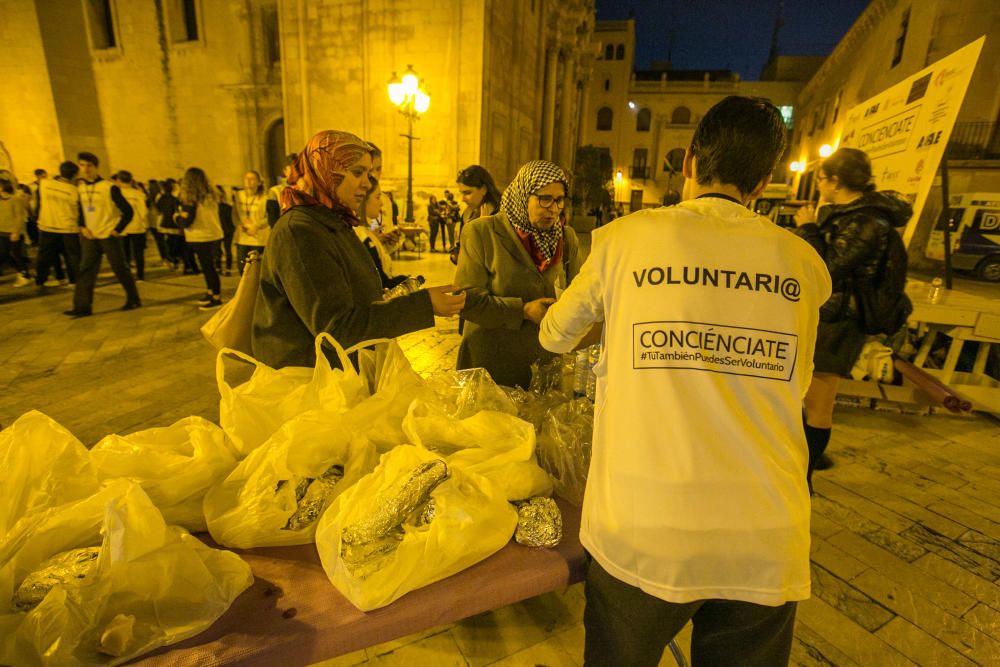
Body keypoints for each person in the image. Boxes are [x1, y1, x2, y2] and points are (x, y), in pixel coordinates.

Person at [538, 96, 832, 666]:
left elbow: (554, 334)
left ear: (690, 162)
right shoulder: (803, 264)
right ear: (765, 180)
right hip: (764, 530)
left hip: (645, 527)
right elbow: (795, 384)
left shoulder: (624, 240)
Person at [252, 130, 464, 369]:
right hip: (310, 381)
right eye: (358, 172)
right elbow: (336, 330)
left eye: (370, 172)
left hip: (340, 373)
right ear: (326, 170)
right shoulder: (300, 232)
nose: (367, 182)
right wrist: (424, 305)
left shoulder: (332, 221)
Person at [792, 147, 912, 483]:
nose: (818, 186)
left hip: (841, 322)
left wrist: (809, 228)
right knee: (809, 397)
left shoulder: (865, 221)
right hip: (832, 316)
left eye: (820, 179)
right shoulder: (853, 215)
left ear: (835, 180)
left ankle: (804, 476)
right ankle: (806, 459)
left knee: (819, 402)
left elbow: (827, 268)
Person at [455, 160, 582, 389]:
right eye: (544, 198)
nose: (553, 208)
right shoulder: (482, 233)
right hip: (491, 367)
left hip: (543, 367)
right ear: (523, 195)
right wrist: (522, 310)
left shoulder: (566, 238)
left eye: (559, 199)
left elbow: (579, 294)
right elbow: (467, 302)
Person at [65, 152, 141, 317]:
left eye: (89, 165)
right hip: (90, 236)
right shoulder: (80, 187)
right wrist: (82, 226)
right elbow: (82, 210)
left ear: (96, 167)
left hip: (108, 235)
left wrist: (117, 230)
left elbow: (127, 211)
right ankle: (82, 307)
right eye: (82, 165)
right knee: (85, 271)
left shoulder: (109, 187)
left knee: (120, 268)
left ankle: (133, 299)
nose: (85, 169)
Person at [175, 167, 224, 310]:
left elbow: (186, 221)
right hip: (214, 234)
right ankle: (211, 292)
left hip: (200, 236)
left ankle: (216, 297)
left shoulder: (190, 199)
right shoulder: (212, 194)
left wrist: (176, 217)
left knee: (208, 268)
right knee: (210, 267)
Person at [35, 160, 82, 287]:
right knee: (72, 255)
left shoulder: (44, 184)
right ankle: (75, 280)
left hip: (47, 224)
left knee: (45, 254)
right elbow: (80, 209)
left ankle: (40, 279)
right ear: (75, 175)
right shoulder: (74, 190)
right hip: (68, 227)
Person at [234, 171, 269, 274]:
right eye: (246, 178)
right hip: (242, 237)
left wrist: (256, 226)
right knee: (242, 268)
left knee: (256, 269)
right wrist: (239, 224)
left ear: (259, 182)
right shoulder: (238, 195)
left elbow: (269, 217)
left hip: (258, 238)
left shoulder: (264, 197)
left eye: (252, 179)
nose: (248, 181)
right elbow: (234, 214)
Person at [116, 171, 149, 281]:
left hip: (122, 227)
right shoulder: (138, 194)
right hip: (137, 226)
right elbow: (143, 211)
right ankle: (140, 275)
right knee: (138, 253)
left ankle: (127, 275)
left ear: (119, 180)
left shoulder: (116, 193)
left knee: (124, 253)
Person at [0, 170, 31, 287]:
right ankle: (20, 271)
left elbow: (19, 216)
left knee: (16, 254)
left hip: (13, 232)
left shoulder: (15, 199)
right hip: (2, 232)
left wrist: (16, 231)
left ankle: (24, 274)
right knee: (4, 254)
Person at [266, 153, 298, 227]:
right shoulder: (275, 191)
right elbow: (272, 221)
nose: (296, 173)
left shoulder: (307, 188)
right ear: (285, 171)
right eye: (293, 169)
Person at [217, 185, 235, 275]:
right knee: (218, 251)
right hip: (222, 231)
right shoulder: (214, 207)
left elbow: (232, 220)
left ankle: (227, 269)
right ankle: (219, 267)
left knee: (226, 250)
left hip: (226, 231)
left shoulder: (226, 207)